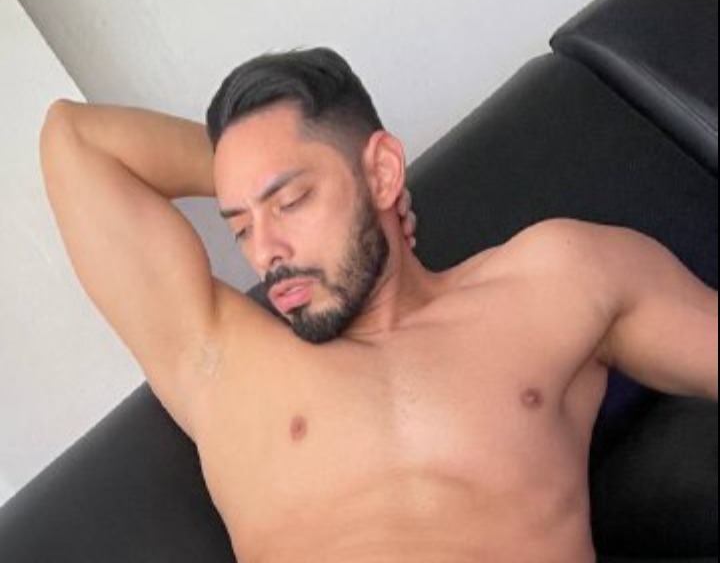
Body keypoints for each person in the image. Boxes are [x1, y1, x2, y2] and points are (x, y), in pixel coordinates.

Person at [39, 47, 718, 563]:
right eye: (239, 225)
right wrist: (249, 174)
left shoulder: (557, 281)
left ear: (384, 171)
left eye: (291, 201)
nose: (265, 252)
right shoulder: (222, 362)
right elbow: (74, 140)